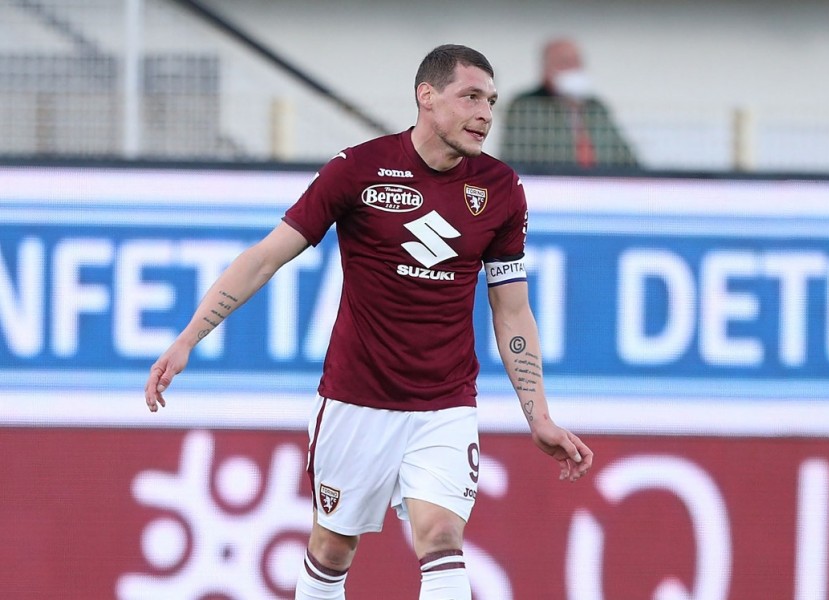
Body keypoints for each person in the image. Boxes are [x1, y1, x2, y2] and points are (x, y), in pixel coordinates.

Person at [144, 44, 594, 600]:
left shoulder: (501, 190)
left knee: (441, 535)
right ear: (426, 97)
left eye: (492, 101)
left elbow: (512, 308)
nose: (485, 114)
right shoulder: (357, 168)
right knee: (332, 550)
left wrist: (539, 415)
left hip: (444, 404)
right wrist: (189, 337)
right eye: (471, 97)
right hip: (356, 401)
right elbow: (265, 257)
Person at [501, 37, 639, 168]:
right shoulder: (526, 105)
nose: (572, 68)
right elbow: (519, 156)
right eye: (565, 62)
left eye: (576, 62)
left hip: (600, 184)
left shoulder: (596, 107)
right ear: (546, 69)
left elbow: (624, 156)